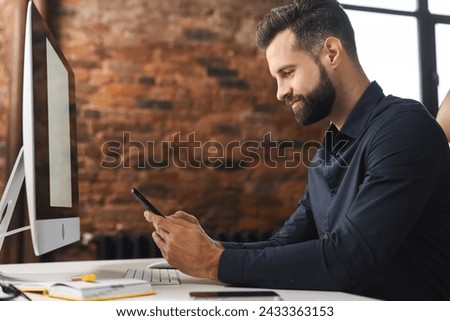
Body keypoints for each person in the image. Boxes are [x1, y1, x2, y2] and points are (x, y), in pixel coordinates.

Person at [144, 0, 450, 300]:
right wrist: (210, 247)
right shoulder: (326, 154)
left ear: (331, 53)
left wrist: (212, 262)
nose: (280, 93)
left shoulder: (405, 130)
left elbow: (348, 259)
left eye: (287, 73)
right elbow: (283, 246)